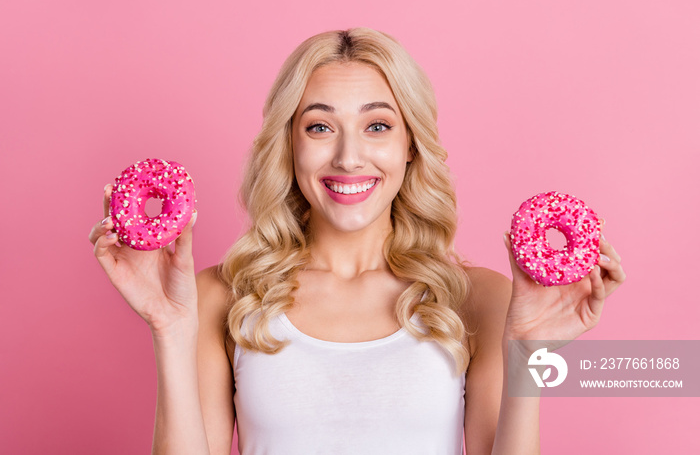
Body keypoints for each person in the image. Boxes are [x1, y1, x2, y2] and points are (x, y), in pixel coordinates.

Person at [88, 27, 625, 455]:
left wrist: (528, 354)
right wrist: (169, 328)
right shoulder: (221, 297)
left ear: (411, 145)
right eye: (320, 128)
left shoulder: (478, 299)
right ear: (290, 145)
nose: (348, 158)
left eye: (377, 127)